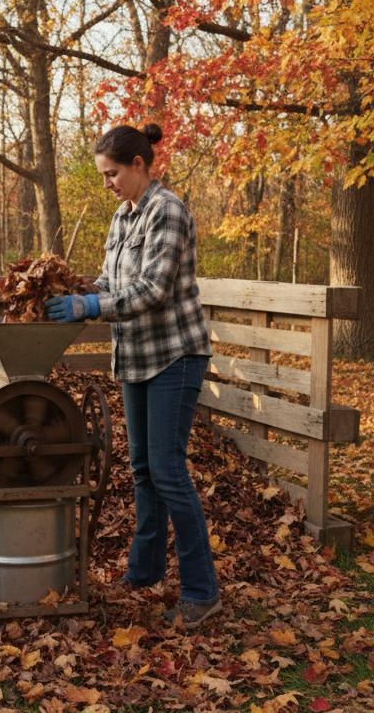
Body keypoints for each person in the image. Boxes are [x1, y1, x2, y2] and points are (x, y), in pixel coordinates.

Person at [44, 124, 220, 628]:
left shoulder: (168, 210)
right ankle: (144, 572)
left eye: (112, 174)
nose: (107, 184)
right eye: (104, 175)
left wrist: (91, 307)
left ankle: (202, 591)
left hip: (175, 355)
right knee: (144, 469)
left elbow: (153, 290)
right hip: (136, 357)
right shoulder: (123, 216)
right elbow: (110, 282)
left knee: (168, 470)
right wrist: (76, 290)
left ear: (139, 164)